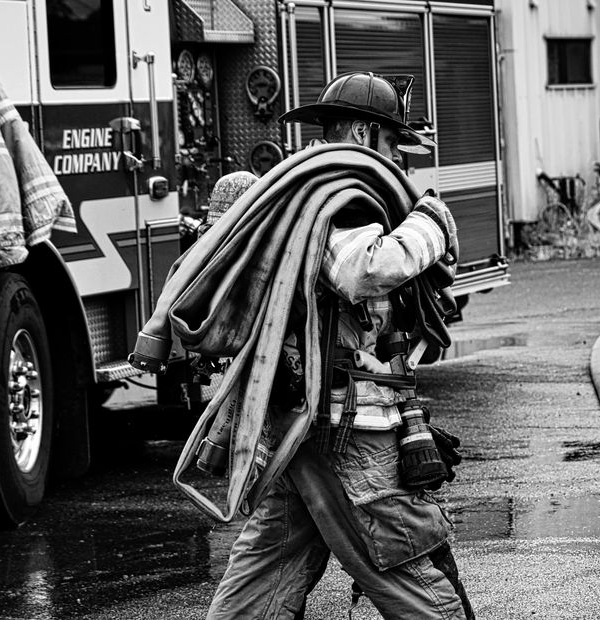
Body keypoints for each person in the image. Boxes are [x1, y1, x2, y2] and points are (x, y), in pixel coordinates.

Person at [205, 72, 473, 620]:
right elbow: (364, 270)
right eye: (394, 143)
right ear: (361, 131)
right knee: (408, 568)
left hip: (299, 426)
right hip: (345, 433)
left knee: (266, 576)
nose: (400, 158)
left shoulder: (300, 197)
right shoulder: (337, 201)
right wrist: (431, 224)